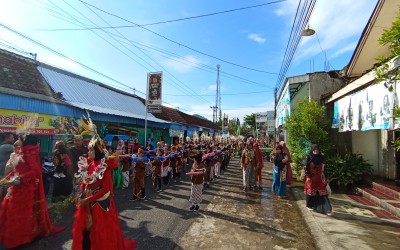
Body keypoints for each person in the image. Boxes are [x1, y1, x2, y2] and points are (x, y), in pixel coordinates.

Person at [72, 116, 136, 249]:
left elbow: (106, 190)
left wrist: (88, 199)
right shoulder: (89, 164)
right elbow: (86, 182)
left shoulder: (104, 167)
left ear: (97, 151)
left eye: (90, 149)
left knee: (101, 236)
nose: (88, 151)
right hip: (88, 204)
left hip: (100, 207)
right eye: (88, 149)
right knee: (86, 236)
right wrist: (81, 192)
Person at [0, 134, 64, 249]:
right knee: (12, 211)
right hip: (16, 186)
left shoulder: (30, 153)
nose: (17, 141)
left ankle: (22, 237)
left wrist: (19, 178)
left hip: (24, 188)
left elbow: (35, 171)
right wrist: (7, 178)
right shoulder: (21, 152)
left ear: (25, 141)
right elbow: (18, 169)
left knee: (20, 213)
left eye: (19, 139)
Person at [304, 144, 332, 215]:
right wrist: (308, 177)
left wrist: (327, 177)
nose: (316, 151)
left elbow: (325, 168)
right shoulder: (309, 157)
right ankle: (310, 205)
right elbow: (306, 167)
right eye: (314, 150)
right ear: (312, 150)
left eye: (317, 150)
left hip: (320, 178)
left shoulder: (322, 158)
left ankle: (327, 209)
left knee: (323, 193)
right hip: (311, 179)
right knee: (311, 193)